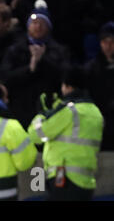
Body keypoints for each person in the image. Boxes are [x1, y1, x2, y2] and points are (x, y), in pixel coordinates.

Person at [27, 67, 104, 201]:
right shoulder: (96, 112)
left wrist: (41, 114)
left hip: (64, 180)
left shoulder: (70, 111)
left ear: (67, 86)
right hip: (86, 182)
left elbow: (36, 135)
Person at [0, 7, 69, 128]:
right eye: (35, 23)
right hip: (20, 109)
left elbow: (64, 76)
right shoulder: (15, 50)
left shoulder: (59, 50)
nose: (38, 27)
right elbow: (5, 77)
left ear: (49, 27)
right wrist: (30, 68)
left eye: (42, 23)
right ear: (28, 26)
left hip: (49, 110)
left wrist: (42, 60)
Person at [85, 21, 114, 150]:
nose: (108, 46)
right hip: (98, 121)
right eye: (105, 42)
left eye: (112, 42)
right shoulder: (91, 68)